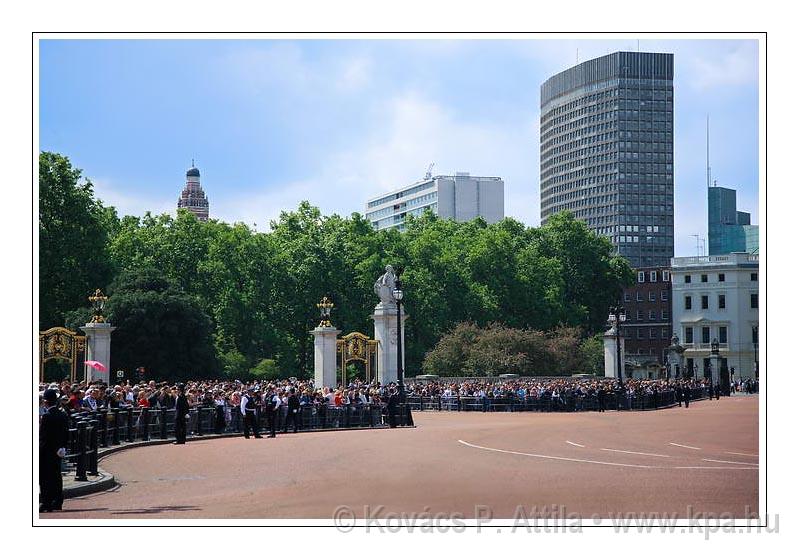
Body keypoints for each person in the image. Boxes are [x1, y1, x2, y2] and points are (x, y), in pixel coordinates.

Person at [40, 389, 69, 512]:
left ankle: (46, 502)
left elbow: (43, 436)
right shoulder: (62, 414)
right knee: (57, 476)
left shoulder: (46, 416)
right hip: (58, 450)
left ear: (46, 402)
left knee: (45, 477)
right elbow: (65, 433)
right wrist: (63, 446)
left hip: (46, 450)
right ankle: (57, 501)